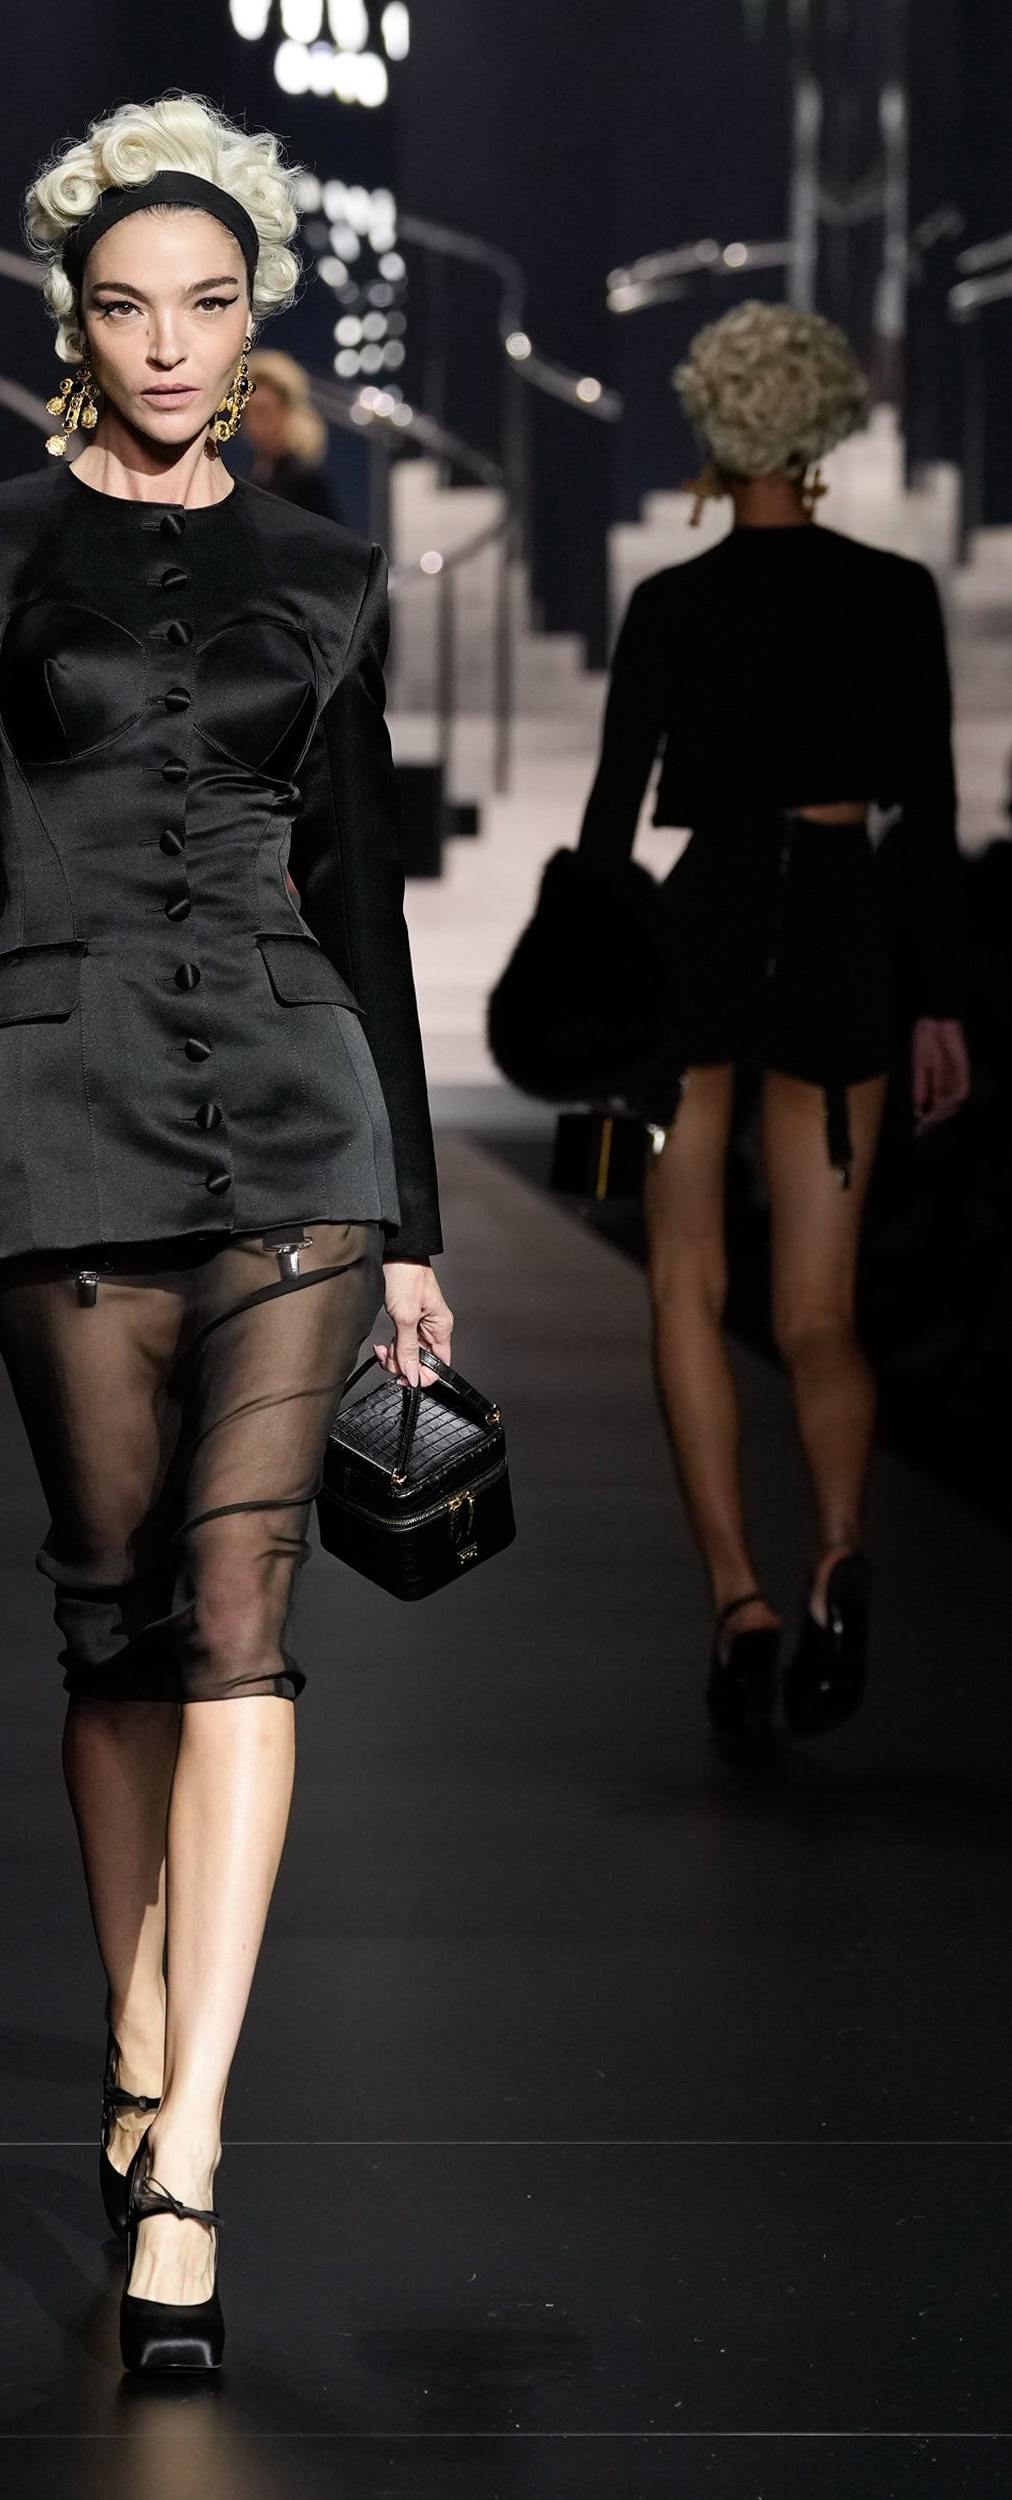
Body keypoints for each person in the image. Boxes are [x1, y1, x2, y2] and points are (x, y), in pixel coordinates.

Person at [0, 95, 450, 2372]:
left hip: (298, 1125)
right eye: (129, 308)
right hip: (58, 1123)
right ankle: (133, 2043)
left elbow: (364, 906)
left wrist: (411, 1217)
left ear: (254, 318)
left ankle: (190, 2152)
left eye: (209, 306)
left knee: (237, 1620)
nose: (170, 345)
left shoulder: (329, 568)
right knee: (113, 1626)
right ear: (76, 319)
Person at [576, 298, 970, 1745]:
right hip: (838, 935)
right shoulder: (892, 594)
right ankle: (838, 1550)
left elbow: (608, 826)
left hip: (700, 930)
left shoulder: (670, 604)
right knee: (818, 1311)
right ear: (820, 430)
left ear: (710, 426)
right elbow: (928, 820)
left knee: (683, 1284)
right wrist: (936, 1001)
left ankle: (737, 1601)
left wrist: (591, 1016)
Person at [241, 346, 339, 518]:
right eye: (248, 410)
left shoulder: (305, 483)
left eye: (263, 410)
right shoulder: (252, 474)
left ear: (286, 412)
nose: (255, 421)